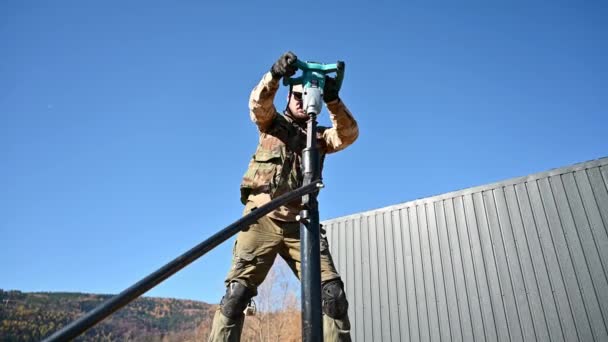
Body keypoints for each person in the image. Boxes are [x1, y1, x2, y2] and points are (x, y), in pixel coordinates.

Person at [208, 51, 359, 342]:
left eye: (307, 96)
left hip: (300, 224)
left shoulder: (320, 138)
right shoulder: (271, 123)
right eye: (297, 96)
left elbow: (349, 134)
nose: (302, 102)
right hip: (261, 218)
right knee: (236, 295)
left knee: (333, 297)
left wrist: (332, 100)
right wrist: (274, 75)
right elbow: (258, 104)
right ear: (289, 97)